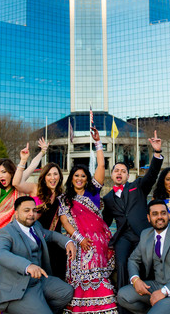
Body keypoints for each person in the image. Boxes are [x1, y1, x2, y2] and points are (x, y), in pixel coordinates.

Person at [58, 127, 117, 314]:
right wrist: (79, 238)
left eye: (83, 176)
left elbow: (101, 166)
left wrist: (98, 142)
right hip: (78, 243)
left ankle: (105, 309)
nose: (80, 178)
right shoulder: (65, 198)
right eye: (76, 175)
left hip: (98, 243)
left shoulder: (93, 192)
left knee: (100, 278)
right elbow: (65, 222)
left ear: (87, 178)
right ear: (71, 178)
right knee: (80, 281)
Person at [102, 130, 164, 298]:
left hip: (142, 233)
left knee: (146, 262)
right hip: (123, 236)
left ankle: (150, 295)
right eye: (116, 170)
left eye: (123, 171)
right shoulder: (107, 198)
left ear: (128, 175)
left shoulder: (138, 186)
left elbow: (152, 175)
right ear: (112, 175)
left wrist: (157, 153)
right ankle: (123, 298)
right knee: (121, 262)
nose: (119, 173)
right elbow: (105, 221)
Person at [0, 196, 77, 314]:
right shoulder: (6, 232)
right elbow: (0, 254)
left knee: (66, 292)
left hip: (39, 281)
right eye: (26, 210)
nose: (31, 214)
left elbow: (51, 235)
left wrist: (68, 242)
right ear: (16, 214)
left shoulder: (36, 226)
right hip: (19, 288)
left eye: (34, 210)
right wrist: (27, 266)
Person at [116, 200, 170, 314]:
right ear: (149, 218)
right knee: (123, 295)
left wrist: (164, 291)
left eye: (163, 213)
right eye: (155, 214)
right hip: (157, 286)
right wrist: (135, 279)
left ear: (167, 215)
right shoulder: (146, 234)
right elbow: (133, 259)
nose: (160, 217)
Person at [13, 138, 66, 279]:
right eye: (49, 174)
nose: (52, 177)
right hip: (35, 239)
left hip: (55, 240)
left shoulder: (62, 196)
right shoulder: (36, 189)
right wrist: (24, 160)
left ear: (60, 177)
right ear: (44, 177)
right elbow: (17, 183)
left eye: (55, 174)